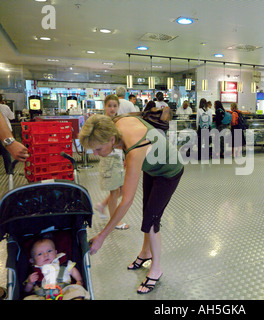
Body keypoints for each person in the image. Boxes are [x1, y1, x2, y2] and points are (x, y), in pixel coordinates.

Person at [79, 113, 184, 294]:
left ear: (112, 139)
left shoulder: (135, 151)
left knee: (151, 221)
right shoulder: (115, 124)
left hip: (169, 171)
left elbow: (126, 201)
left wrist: (102, 236)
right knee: (147, 213)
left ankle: (156, 269)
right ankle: (145, 253)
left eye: (97, 149)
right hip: (152, 167)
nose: (95, 154)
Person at [94, 95, 129, 230]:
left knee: (121, 189)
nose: (112, 108)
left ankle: (102, 205)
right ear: (104, 106)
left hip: (117, 159)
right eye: (110, 106)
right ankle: (114, 222)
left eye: (115, 106)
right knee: (115, 192)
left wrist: (125, 156)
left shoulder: (116, 121)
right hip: (109, 161)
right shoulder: (103, 122)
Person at [24, 238, 89, 300]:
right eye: (40, 254)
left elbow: (73, 270)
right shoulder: (35, 272)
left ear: (55, 252)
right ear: (32, 260)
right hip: (44, 295)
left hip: (65, 290)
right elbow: (27, 291)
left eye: (49, 251)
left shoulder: (62, 262)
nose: (46, 254)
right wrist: (30, 283)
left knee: (77, 292)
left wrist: (79, 280)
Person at [0, 100, 15, 174]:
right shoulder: (5, 107)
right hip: (7, 133)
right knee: (6, 152)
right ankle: (9, 171)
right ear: (2, 100)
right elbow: (12, 117)